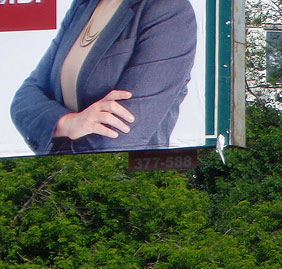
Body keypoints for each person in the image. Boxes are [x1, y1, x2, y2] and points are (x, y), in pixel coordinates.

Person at [10, 0, 197, 155]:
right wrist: (67, 122)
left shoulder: (168, 10)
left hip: (125, 186)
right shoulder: (83, 5)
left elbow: (121, 137)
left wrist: (54, 170)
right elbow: (24, 98)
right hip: (61, 184)